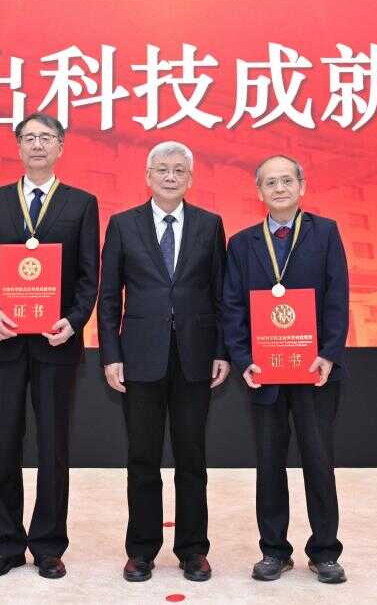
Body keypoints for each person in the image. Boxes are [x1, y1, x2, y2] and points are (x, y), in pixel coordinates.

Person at [0, 113, 100, 580]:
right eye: (29, 137)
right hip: (2, 342)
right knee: (4, 443)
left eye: (47, 137)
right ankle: (6, 544)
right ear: (18, 146)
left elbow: (89, 276)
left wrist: (74, 321)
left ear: (61, 146)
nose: (38, 145)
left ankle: (47, 545)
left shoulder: (82, 203)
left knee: (53, 446)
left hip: (55, 343)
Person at [97, 141, 229, 584]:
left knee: (192, 458)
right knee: (142, 458)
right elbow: (109, 297)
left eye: (179, 170)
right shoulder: (122, 224)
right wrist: (111, 355)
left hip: (195, 356)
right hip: (140, 357)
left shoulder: (210, 225)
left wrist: (222, 351)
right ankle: (141, 550)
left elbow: (221, 293)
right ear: (148, 176)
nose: (170, 177)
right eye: (162, 169)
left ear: (190, 178)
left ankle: (193, 549)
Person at [220, 154, 350, 584]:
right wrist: (243, 360)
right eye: (270, 182)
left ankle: (325, 551)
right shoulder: (242, 244)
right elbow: (232, 306)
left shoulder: (325, 233)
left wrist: (329, 353)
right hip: (265, 372)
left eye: (286, 180)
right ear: (258, 191)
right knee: (269, 463)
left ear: (302, 186)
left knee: (319, 460)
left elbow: (337, 296)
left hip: (316, 371)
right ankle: (274, 550)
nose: (279, 188)